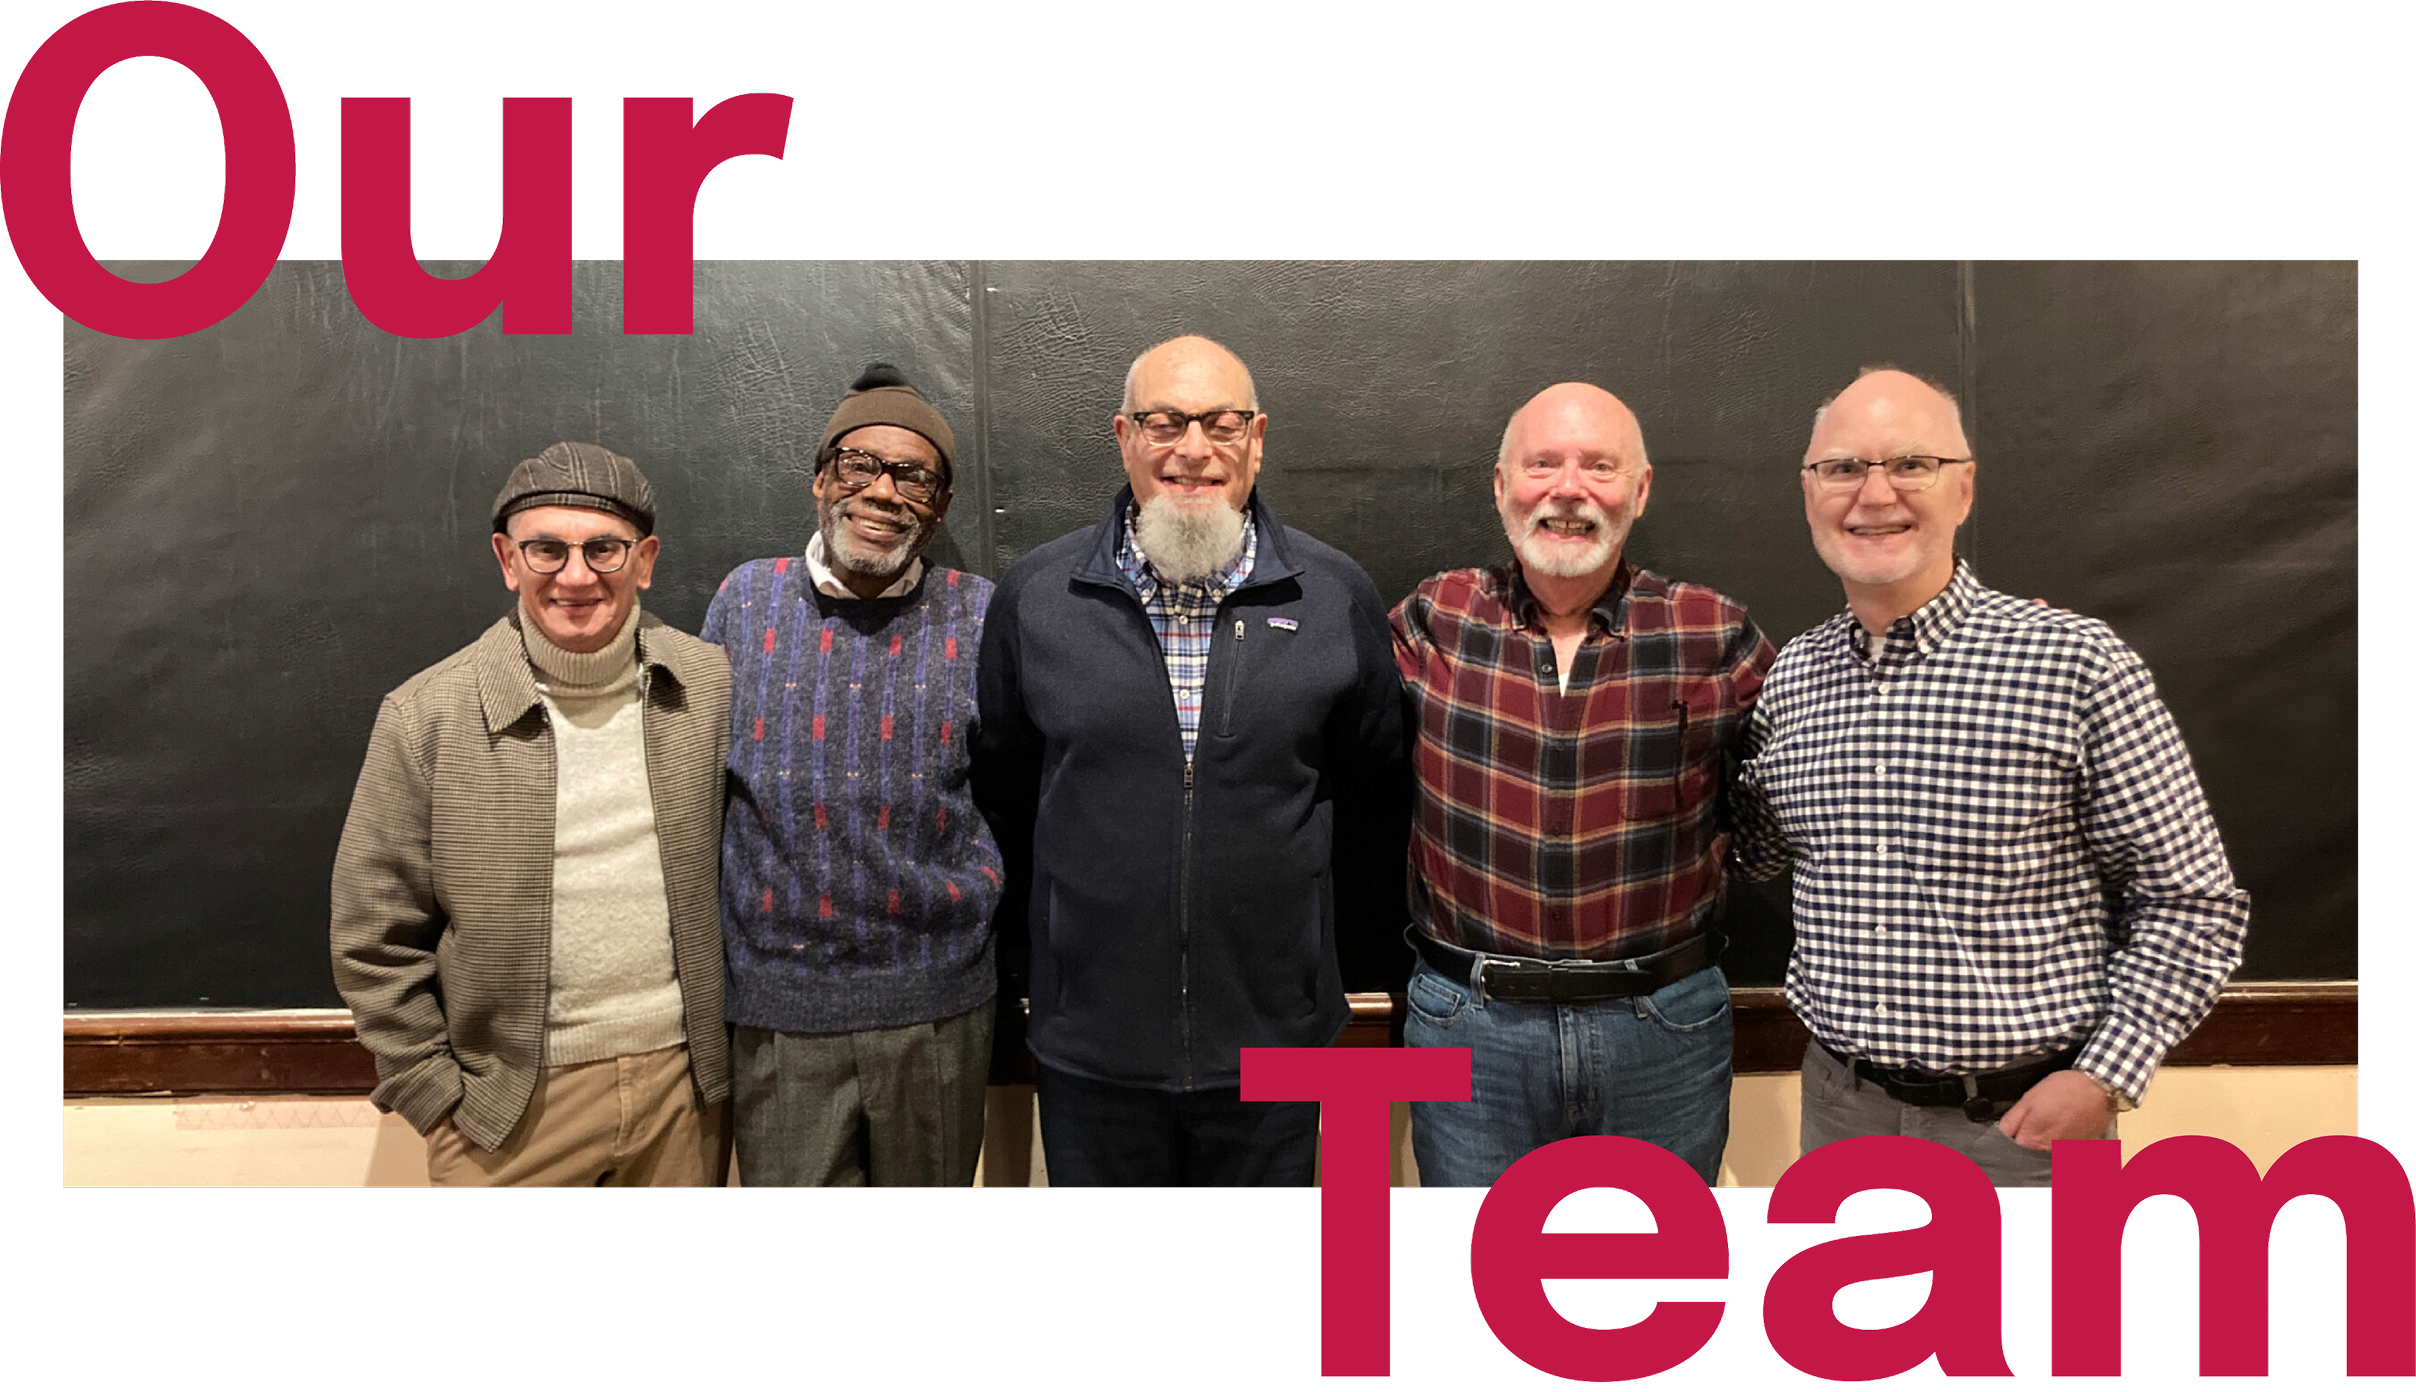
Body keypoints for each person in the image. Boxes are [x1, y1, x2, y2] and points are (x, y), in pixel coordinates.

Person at [1733, 366, 2250, 1185]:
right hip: (1841, 1112)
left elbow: (2193, 902)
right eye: (1842, 467)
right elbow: (1752, 852)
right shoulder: (1792, 677)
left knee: (2043, 1322)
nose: (1874, 495)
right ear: (1809, 493)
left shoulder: (2076, 665)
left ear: (1963, 488)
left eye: (1910, 464)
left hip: (2023, 1132)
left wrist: (2106, 1075)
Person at [974, 334, 1408, 1186]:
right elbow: (1006, 796)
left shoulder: (1332, 595)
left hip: (1280, 1043)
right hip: (1090, 1048)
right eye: (1165, 422)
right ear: (1124, 436)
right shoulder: (1038, 596)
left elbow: (1373, 801)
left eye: (1221, 423)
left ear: (1258, 436)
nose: (1194, 450)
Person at [1391, 383, 1775, 1186]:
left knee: (1654, 1288)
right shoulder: (1435, 616)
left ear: (1640, 491)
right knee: (1468, 1284)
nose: (1568, 489)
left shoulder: (1714, 631)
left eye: (1599, 466)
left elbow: (1802, 791)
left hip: (1662, 1028)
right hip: (1469, 1027)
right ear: (1502, 486)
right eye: (1543, 464)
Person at [331, 442, 733, 1185]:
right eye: (546, 549)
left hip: (688, 1095)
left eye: (604, 549)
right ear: (507, 559)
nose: (576, 576)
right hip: (507, 1114)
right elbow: (370, 935)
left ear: (643, 560)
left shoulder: (708, 686)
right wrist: (433, 1093)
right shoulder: (428, 716)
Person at [702, 364, 1000, 1186]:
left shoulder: (982, 614)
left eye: (913, 475)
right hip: (779, 1016)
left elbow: (1014, 794)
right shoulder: (745, 601)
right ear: (820, 479)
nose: (882, 491)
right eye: (859, 464)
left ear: (939, 508)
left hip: (939, 1013)